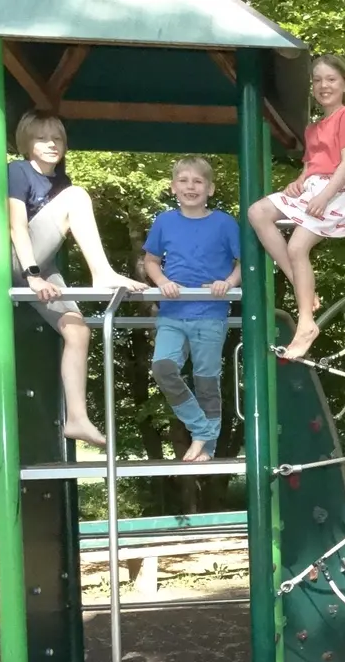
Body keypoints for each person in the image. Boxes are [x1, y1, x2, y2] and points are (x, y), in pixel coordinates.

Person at [7, 110, 148, 448]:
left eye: (57, 138)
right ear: (27, 143)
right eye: (42, 138)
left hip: (44, 262)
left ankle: (77, 418)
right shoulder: (18, 171)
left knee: (78, 329)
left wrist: (43, 274)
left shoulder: (59, 182)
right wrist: (33, 275)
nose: (52, 144)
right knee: (78, 197)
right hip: (21, 260)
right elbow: (17, 226)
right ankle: (102, 272)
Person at [248, 54, 345, 360]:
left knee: (298, 245)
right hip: (315, 187)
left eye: (330, 79)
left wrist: (325, 196)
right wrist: (298, 182)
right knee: (257, 212)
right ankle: (299, 282)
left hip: (338, 189)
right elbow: (310, 167)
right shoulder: (313, 128)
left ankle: (306, 323)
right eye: (317, 80)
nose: (323, 85)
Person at [141, 156, 243, 462]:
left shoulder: (224, 222)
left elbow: (242, 264)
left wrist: (227, 282)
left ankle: (206, 450)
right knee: (163, 367)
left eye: (197, 181)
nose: (190, 187)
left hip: (210, 313)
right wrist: (161, 281)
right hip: (173, 312)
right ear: (173, 187)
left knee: (206, 379)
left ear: (210, 189)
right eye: (184, 181)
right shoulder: (165, 221)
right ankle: (202, 430)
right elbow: (150, 261)